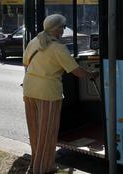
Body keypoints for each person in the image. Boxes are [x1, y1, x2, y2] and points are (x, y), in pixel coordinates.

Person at [22, 14, 97, 174]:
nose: (64, 29)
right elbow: (76, 71)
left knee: (35, 132)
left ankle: (35, 165)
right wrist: (91, 74)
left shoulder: (34, 42)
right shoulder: (58, 48)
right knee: (47, 133)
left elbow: (26, 63)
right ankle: (43, 169)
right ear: (57, 29)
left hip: (29, 90)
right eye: (63, 26)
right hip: (48, 93)